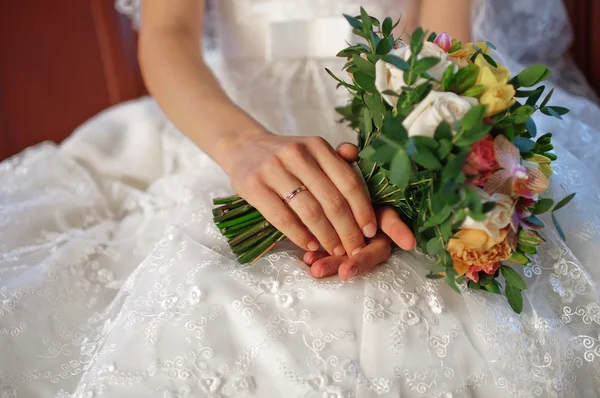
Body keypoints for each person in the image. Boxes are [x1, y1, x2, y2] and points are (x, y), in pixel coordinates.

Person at [0, 0, 599, 396]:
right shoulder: (232, 136)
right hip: (223, 122)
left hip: (402, 108)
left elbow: (438, 40)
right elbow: (167, 32)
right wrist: (242, 148)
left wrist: (399, 178)